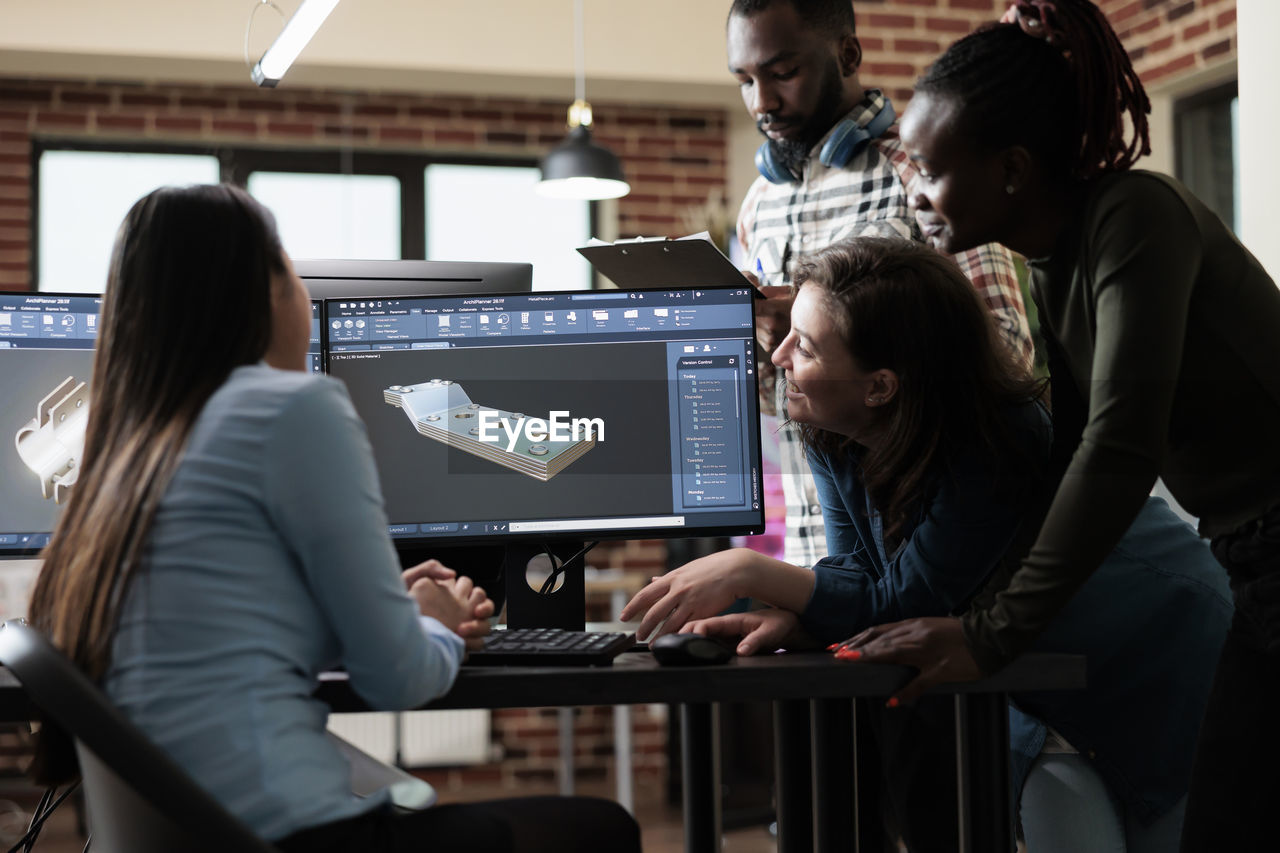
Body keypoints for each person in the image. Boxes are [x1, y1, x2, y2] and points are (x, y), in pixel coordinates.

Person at [25, 184, 641, 853]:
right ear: (259, 294)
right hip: (289, 836)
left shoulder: (121, 450)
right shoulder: (293, 407)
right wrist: (436, 626)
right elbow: (397, 677)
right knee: (605, 829)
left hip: (183, 836)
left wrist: (389, 614)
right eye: (292, 270)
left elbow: (217, 638)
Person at [834, 3, 1280, 850]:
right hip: (1253, 563)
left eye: (928, 169)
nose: (913, 195)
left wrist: (993, 631)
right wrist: (960, 599)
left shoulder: (1136, 216)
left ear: (1009, 169)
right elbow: (1067, 448)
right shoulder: (1053, 260)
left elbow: (1120, 441)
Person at [622, 236, 1230, 852]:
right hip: (1043, 677)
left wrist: (749, 570)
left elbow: (909, 600)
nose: (777, 356)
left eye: (803, 345)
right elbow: (860, 568)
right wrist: (801, 617)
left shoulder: (998, 440)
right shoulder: (835, 430)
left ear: (880, 386)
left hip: (1162, 653)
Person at [728, 0, 1035, 573]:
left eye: (783, 73)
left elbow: (1006, 352)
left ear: (847, 53)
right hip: (809, 543)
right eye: (745, 80)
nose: (761, 102)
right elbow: (785, 405)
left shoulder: (925, 171)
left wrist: (842, 332)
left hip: (926, 543)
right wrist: (761, 347)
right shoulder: (757, 204)